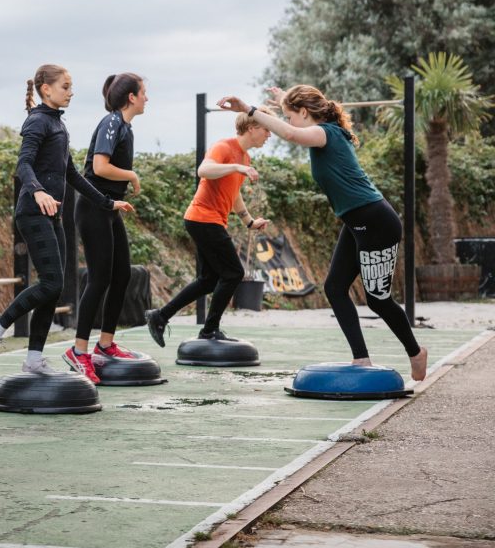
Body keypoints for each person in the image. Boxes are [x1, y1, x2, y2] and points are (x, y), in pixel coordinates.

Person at [216, 85, 428, 381]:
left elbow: (292, 134)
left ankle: (416, 352)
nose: (289, 122)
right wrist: (282, 100)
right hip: (356, 221)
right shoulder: (322, 130)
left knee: (377, 299)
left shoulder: (325, 132)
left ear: (305, 112)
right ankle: (361, 360)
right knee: (335, 288)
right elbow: (296, 125)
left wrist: (249, 110)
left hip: (376, 221)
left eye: (291, 115)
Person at [0, 64, 134, 379]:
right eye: (65, 86)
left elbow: (72, 175)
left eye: (71, 86)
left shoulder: (59, 126)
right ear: (46, 89)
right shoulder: (36, 122)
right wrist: (37, 193)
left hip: (53, 214)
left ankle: (34, 359)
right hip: (33, 212)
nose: (70, 91)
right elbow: (23, 165)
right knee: (51, 283)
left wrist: (106, 202)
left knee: (54, 288)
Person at [145, 110, 271, 346]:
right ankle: (209, 330)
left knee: (208, 280)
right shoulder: (224, 147)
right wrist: (236, 167)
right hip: (203, 218)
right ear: (252, 127)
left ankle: (160, 316)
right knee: (233, 273)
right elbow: (203, 170)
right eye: (266, 129)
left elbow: (233, 195)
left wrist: (250, 221)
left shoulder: (245, 159)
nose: (269, 134)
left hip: (208, 220)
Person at [63, 73, 147, 383]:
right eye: (144, 93)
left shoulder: (125, 126)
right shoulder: (111, 122)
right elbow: (99, 167)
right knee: (98, 279)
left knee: (122, 274)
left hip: (111, 208)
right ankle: (79, 351)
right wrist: (133, 176)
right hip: (93, 207)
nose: (147, 98)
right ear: (131, 98)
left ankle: (106, 344)